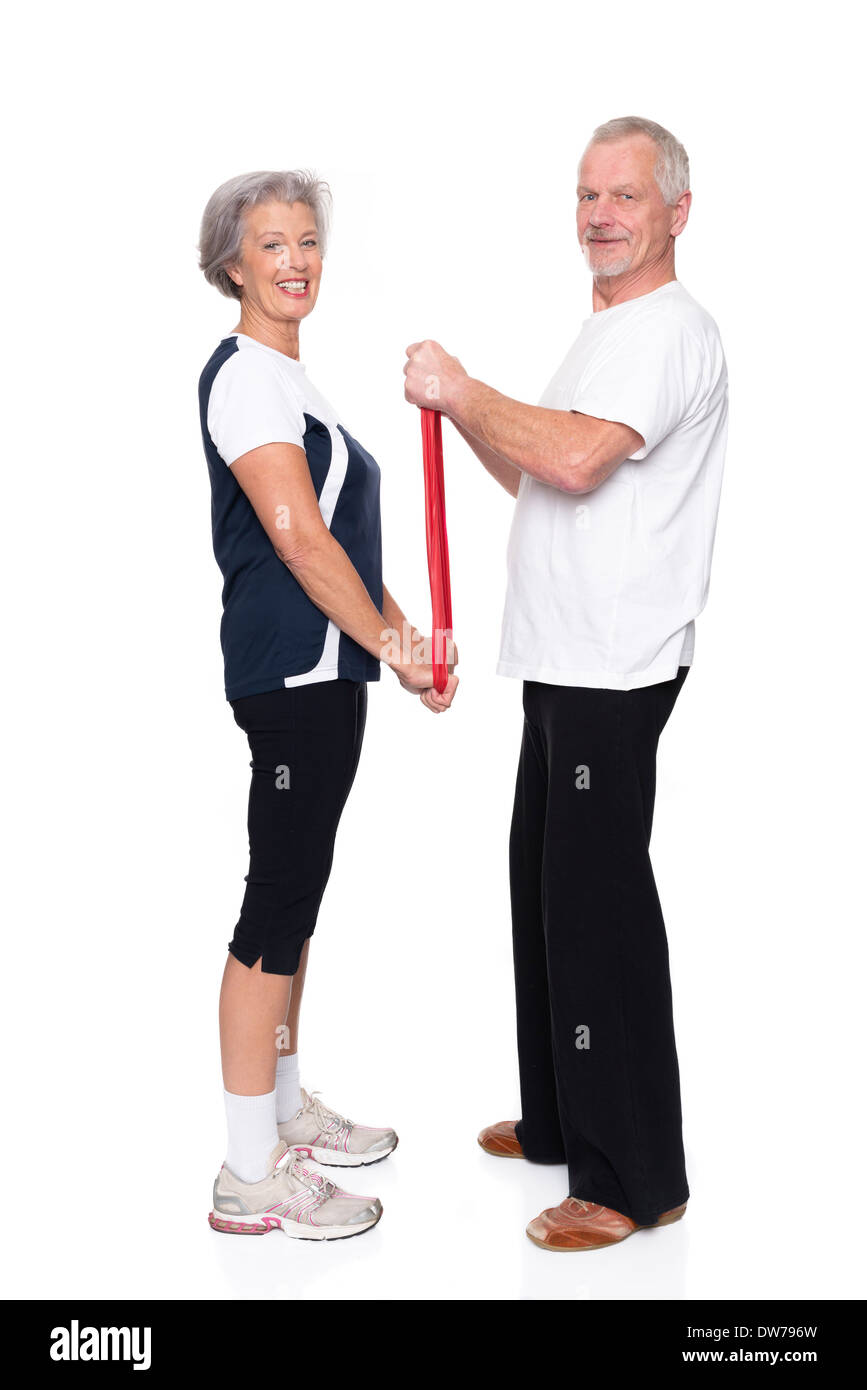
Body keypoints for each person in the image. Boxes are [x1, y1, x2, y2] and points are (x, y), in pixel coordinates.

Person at [404, 116, 728, 1252]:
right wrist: (464, 413)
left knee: (593, 914)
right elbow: (542, 464)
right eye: (588, 195)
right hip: (562, 657)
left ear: (675, 212)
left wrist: (465, 382)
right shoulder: (606, 330)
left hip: (610, 661)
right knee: (542, 886)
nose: (600, 214)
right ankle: (560, 1114)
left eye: (625, 197)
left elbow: (580, 457)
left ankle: (632, 1176)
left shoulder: (665, 329)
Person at [197, 170, 458, 1241]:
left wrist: (407, 647)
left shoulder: (296, 383)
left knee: (298, 898)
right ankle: (249, 1171)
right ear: (231, 265)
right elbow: (300, 545)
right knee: (274, 908)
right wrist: (392, 644)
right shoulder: (248, 380)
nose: (297, 258)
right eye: (272, 243)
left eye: (308, 239)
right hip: (289, 675)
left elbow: (343, 544)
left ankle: (289, 1108)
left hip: (328, 678)